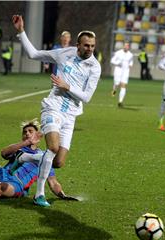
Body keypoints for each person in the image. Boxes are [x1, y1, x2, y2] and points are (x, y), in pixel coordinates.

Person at [12, 15, 101, 207]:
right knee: (52, 148)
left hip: (71, 115)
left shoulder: (94, 66)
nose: (90, 49)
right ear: (78, 45)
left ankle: (25, 157)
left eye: (92, 46)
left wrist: (67, 86)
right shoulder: (63, 54)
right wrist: (21, 32)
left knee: (58, 162)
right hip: (52, 107)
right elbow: (33, 54)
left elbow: (87, 97)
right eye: (86, 46)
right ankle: (39, 195)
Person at [0, 119, 77, 202]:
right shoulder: (19, 148)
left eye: (30, 131)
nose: (27, 134)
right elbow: (4, 153)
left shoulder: (45, 157)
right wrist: (27, 142)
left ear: (38, 136)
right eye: (25, 132)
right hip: (0, 173)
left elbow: (53, 183)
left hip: (17, 185)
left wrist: (63, 195)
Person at [110, 42, 133, 108]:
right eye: (125, 45)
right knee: (116, 84)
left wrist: (130, 65)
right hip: (118, 71)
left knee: (123, 85)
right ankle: (114, 90)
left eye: (127, 46)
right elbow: (112, 60)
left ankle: (120, 101)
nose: (126, 47)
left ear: (129, 47)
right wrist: (117, 63)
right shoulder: (118, 53)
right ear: (123, 46)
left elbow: (131, 61)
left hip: (126, 72)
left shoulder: (130, 55)